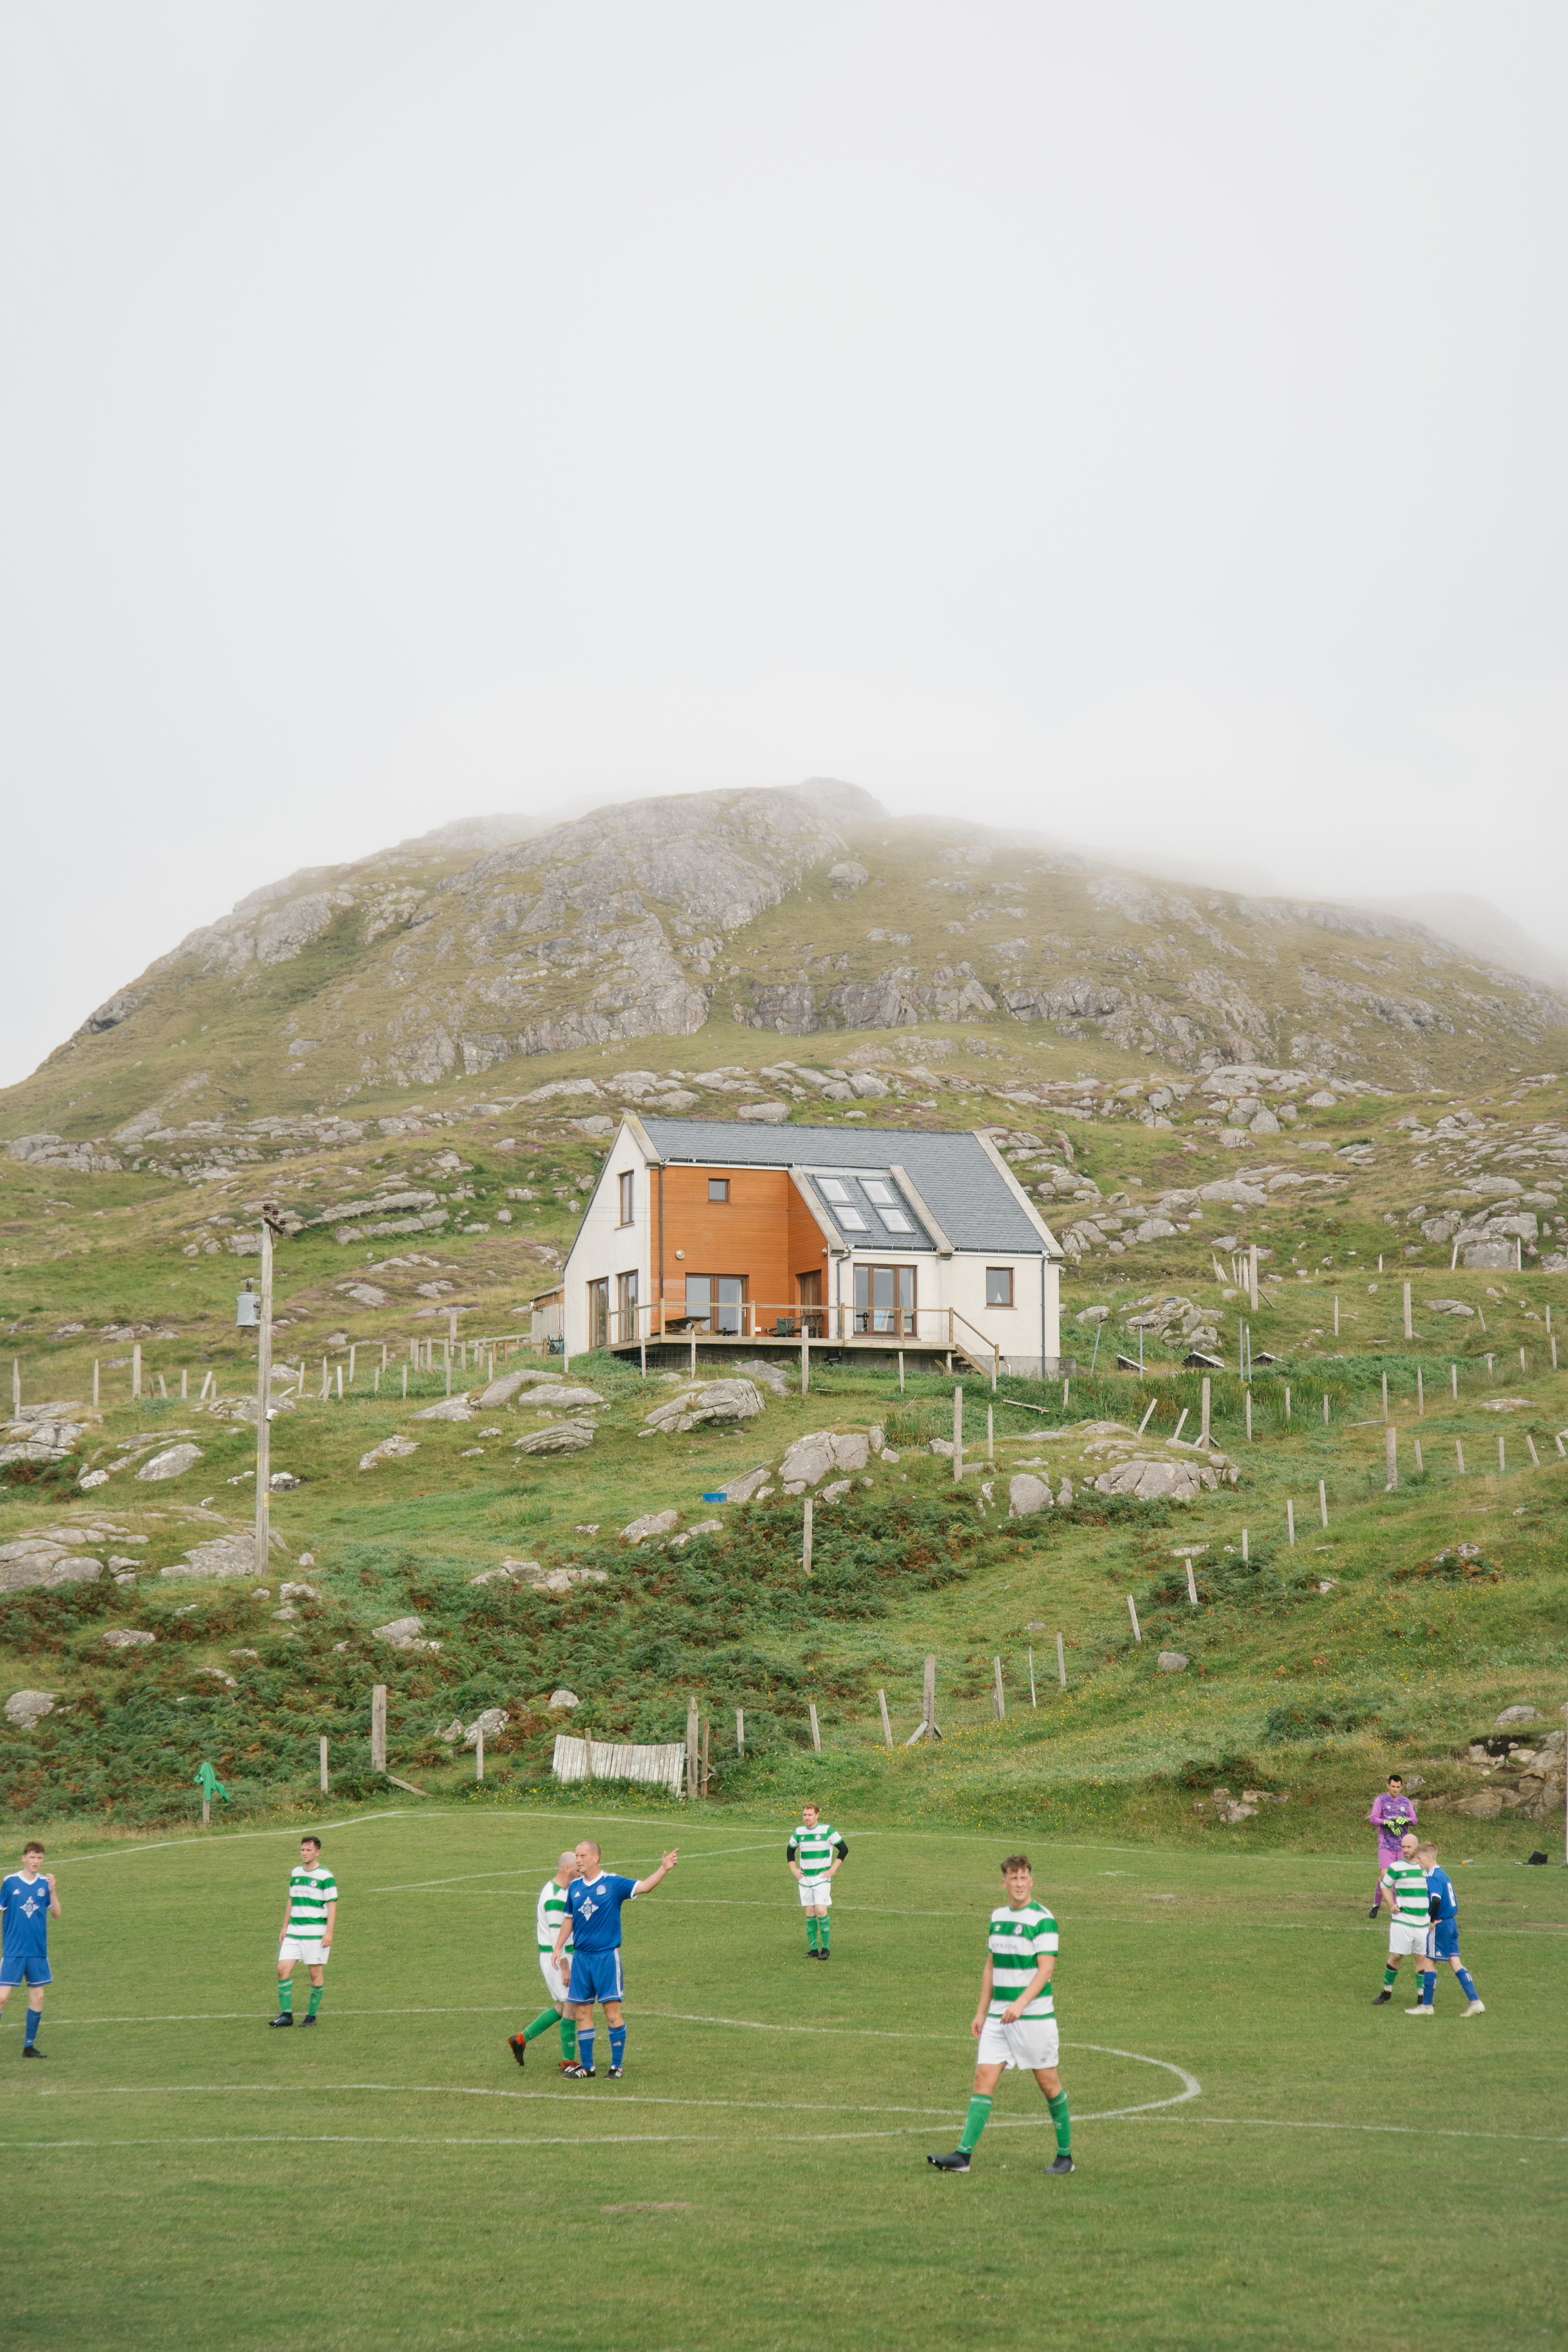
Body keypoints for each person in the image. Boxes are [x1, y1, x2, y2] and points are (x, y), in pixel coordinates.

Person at [928, 1853, 1073, 2177]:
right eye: (1013, 1878)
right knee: (983, 2078)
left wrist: (1020, 2004)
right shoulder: (997, 1917)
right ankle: (963, 2156)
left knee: (1048, 2084)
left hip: (1033, 2018)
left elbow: (1046, 1970)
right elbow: (990, 1967)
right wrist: (981, 2011)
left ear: (1031, 1881)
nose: (1019, 1884)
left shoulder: (1043, 1920)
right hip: (998, 2018)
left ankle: (1065, 2156)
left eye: (1024, 1878)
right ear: (1004, 1882)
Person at [551, 1836, 678, 2079]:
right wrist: (558, 1948)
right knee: (582, 2014)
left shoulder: (612, 1884)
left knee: (611, 2013)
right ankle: (588, 2067)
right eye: (576, 1856)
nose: (578, 1860)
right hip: (582, 1959)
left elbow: (644, 1887)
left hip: (606, 1958)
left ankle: (616, 2066)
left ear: (596, 1858)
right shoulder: (575, 1888)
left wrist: (663, 1869)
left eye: (582, 1856)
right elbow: (569, 1920)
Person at [509, 1850, 582, 2070]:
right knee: (571, 2007)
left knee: (562, 2007)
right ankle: (568, 2062)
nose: (580, 1872)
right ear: (567, 1869)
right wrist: (565, 1967)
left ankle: (520, 2040)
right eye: (577, 1869)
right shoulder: (555, 1897)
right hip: (557, 1958)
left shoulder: (560, 1890)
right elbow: (555, 1935)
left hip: (559, 1956)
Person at [1407, 1840, 1485, 2017]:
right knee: (1455, 1963)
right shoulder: (1443, 1874)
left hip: (1441, 1925)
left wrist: (1433, 1920)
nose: (1418, 1862)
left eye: (1419, 1859)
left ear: (1429, 1858)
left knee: (1429, 1962)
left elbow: (1436, 1899)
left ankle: (1427, 2006)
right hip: (1451, 1924)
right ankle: (1476, 2002)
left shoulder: (1432, 1876)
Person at [0, 1841, 60, 2058]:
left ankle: (29, 2047)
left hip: (37, 1951)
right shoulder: (10, 1882)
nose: (36, 1861)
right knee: (2, 1997)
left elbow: (56, 1914)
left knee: (39, 1997)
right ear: (24, 1858)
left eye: (40, 1858)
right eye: (32, 1857)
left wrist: (53, 1892)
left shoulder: (45, 1884)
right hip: (14, 1950)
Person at [270, 1835, 337, 2027]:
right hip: (293, 1932)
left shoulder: (325, 1876)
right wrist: (285, 1927)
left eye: (309, 1850)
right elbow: (291, 1900)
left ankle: (311, 2017)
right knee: (282, 1969)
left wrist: (329, 1932)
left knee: (315, 1974)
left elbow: (332, 1905)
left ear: (318, 1852)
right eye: (302, 1850)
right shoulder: (296, 1873)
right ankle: (287, 2015)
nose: (305, 1854)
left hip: (315, 1933)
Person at [1372, 1828, 1430, 2004]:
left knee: (1421, 1959)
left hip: (1424, 1923)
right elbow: (1385, 1885)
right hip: (1402, 1921)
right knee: (1396, 1956)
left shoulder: (1427, 1868)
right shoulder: (1396, 1867)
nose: (1405, 1850)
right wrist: (1391, 1904)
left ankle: (1422, 1998)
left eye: (1409, 1847)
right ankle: (1386, 1992)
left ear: (1417, 1847)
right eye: (1403, 1847)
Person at [788, 1800, 848, 1959]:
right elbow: (790, 1851)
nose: (806, 1818)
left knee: (821, 1911)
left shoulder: (827, 1830)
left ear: (817, 1815)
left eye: (810, 1815)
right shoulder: (799, 1832)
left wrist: (833, 1870)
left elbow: (844, 1849)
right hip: (805, 1880)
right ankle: (814, 1949)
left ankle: (826, 1949)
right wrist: (794, 1869)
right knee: (810, 1913)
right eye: (804, 1815)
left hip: (822, 1879)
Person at [1366, 1774, 1417, 1918]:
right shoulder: (1381, 1800)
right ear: (1388, 1786)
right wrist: (1387, 1822)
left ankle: (1397, 1909)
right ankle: (1379, 1905)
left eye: (1398, 1787)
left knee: (1398, 1878)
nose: (1395, 1789)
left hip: (1402, 1847)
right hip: (1386, 1845)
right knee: (1386, 1876)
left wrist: (1406, 1820)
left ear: (1402, 1787)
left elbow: (1415, 1819)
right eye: (1393, 1787)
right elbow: (1373, 1819)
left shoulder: (1405, 1801)